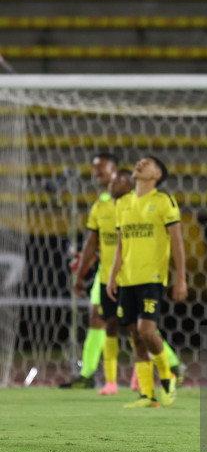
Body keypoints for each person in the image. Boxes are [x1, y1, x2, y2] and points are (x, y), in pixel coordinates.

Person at [107, 156, 187, 408]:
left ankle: (166, 376)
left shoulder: (163, 202)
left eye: (148, 163)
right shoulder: (123, 203)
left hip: (152, 277)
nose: (140, 163)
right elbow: (121, 244)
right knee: (133, 334)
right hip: (127, 278)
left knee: (146, 331)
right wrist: (112, 275)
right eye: (139, 161)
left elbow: (177, 242)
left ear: (157, 175)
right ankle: (147, 394)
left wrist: (181, 279)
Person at [60, 153, 118, 389]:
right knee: (97, 319)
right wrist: (81, 271)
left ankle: (173, 366)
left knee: (138, 327)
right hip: (104, 273)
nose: (97, 172)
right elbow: (92, 242)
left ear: (115, 169)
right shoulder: (101, 204)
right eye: (94, 169)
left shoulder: (131, 201)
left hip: (131, 273)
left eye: (102, 167)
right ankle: (87, 375)